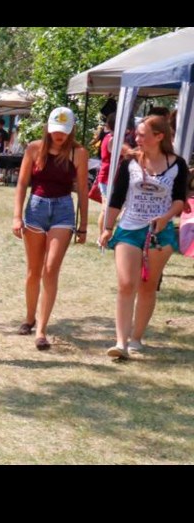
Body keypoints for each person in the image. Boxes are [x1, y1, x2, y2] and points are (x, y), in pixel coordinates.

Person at [99, 115, 189, 359]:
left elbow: (180, 200)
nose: (136, 138)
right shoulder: (129, 162)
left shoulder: (177, 165)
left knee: (148, 286)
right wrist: (107, 227)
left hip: (160, 232)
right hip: (129, 228)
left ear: (159, 137)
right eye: (136, 134)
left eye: (141, 134)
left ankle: (136, 337)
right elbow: (116, 198)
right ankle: (120, 342)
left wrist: (166, 217)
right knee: (126, 284)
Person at [12, 106, 89, 350]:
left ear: (72, 130)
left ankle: (42, 331)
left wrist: (84, 225)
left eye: (64, 131)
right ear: (48, 127)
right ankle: (29, 317)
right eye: (56, 130)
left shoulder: (79, 152)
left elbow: (84, 191)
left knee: (50, 268)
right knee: (33, 270)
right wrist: (16, 216)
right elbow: (22, 183)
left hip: (63, 209)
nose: (60, 135)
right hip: (36, 207)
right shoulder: (35, 148)